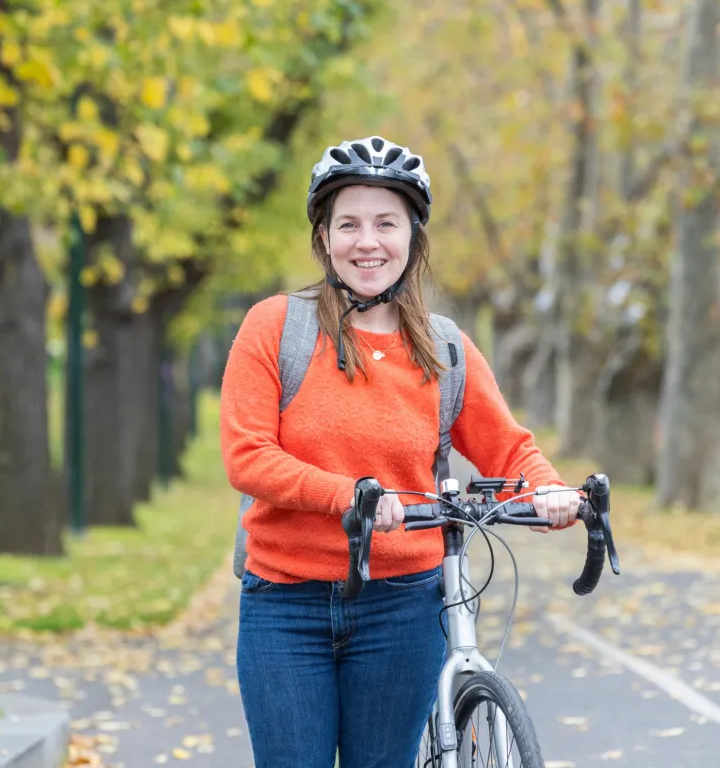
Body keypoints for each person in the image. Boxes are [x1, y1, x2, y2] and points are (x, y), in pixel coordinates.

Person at [219, 135, 582, 768]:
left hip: (402, 609)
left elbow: (508, 448)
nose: (368, 242)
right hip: (286, 604)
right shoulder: (277, 328)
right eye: (349, 224)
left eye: (386, 223)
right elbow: (248, 456)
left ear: (412, 237)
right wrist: (350, 496)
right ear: (324, 238)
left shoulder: (443, 350)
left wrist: (549, 490)